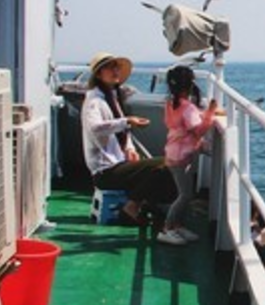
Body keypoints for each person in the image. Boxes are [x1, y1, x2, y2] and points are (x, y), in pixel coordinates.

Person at [80, 52, 185, 245]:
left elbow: (121, 131)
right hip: (106, 172)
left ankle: (149, 211)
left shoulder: (111, 96)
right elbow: (95, 128)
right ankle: (134, 207)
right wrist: (127, 121)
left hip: (119, 163)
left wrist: (129, 148)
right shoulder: (94, 101)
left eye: (116, 67)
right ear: (99, 74)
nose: (115, 71)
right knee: (167, 164)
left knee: (167, 168)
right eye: (110, 67)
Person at [162, 65, 217, 244]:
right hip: (180, 157)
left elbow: (181, 122)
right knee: (185, 195)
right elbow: (199, 130)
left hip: (173, 153)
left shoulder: (171, 103)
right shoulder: (188, 108)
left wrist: (202, 114)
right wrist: (210, 113)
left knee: (185, 193)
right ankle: (167, 228)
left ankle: (177, 226)